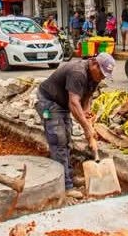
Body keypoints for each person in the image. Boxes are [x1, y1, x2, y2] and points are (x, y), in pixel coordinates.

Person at [35, 52, 115, 199]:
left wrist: (88, 121)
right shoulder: (78, 73)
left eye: (105, 75)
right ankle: (65, 186)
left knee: (67, 139)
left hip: (62, 103)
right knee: (59, 140)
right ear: (94, 64)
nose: (102, 77)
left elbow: (86, 100)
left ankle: (68, 176)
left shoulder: (95, 76)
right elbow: (74, 103)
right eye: (102, 73)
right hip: (48, 101)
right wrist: (86, 128)